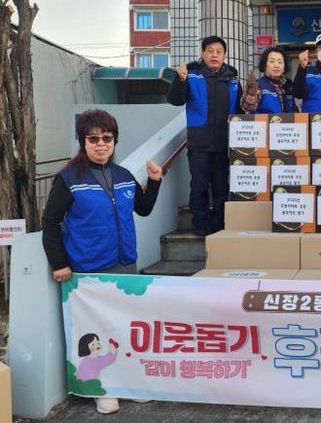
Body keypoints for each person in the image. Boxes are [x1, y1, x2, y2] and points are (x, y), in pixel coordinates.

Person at [42, 109, 161, 415]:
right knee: (95, 332)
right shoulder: (68, 179)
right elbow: (50, 223)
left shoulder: (123, 176)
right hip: (89, 270)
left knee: (126, 327)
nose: (101, 144)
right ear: (83, 142)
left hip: (125, 266)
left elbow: (144, 209)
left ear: (114, 141)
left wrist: (154, 181)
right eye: (93, 139)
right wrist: (59, 263)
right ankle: (101, 388)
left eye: (106, 138)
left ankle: (128, 383)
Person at [168, 35, 242, 235]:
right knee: (199, 185)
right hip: (199, 143)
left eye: (219, 52)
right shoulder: (192, 75)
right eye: (210, 51)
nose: (215, 55)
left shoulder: (233, 80)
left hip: (224, 144)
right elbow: (175, 100)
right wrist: (180, 80)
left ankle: (218, 224)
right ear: (203, 53)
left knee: (221, 187)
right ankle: (200, 224)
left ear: (225, 55)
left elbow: (240, 112)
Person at [240, 46, 295, 114]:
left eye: (280, 62)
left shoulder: (288, 86)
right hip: (263, 121)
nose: (276, 65)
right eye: (272, 62)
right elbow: (247, 107)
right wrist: (251, 90)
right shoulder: (258, 85)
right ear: (264, 65)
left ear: (284, 67)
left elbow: (293, 109)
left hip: (286, 121)